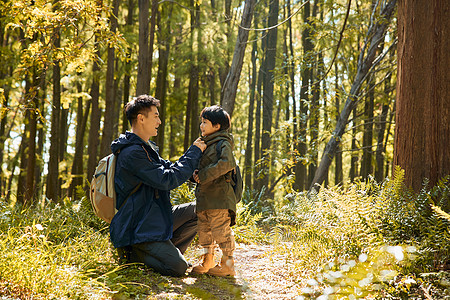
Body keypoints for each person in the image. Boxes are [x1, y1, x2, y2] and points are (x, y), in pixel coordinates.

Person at [110, 94, 206, 277]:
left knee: (200, 210)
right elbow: (166, 179)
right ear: (141, 118)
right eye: (156, 116)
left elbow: (169, 167)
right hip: (138, 226)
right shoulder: (132, 153)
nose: (159, 121)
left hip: (152, 219)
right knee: (178, 268)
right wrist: (194, 151)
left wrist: (193, 176)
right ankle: (133, 255)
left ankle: (168, 251)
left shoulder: (145, 148)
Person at [191, 105, 238, 277]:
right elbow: (199, 166)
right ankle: (207, 260)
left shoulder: (222, 143)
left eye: (205, 122)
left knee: (221, 230)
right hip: (204, 198)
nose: (201, 126)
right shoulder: (204, 143)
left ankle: (227, 264)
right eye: (201, 122)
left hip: (218, 197)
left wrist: (203, 175)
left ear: (217, 126)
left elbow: (227, 163)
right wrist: (194, 174)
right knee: (204, 230)